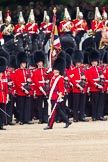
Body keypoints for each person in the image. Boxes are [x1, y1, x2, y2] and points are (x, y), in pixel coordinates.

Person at [44, 51, 72, 130]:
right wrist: (49, 69)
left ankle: (50, 125)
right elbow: (46, 75)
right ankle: (67, 121)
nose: (54, 70)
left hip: (56, 96)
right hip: (52, 95)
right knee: (58, 110)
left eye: (55, 69)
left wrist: (60, 96)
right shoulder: (53, 77)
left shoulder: (60, 78)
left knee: (53, 111)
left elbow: (61, 88)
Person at [14, 51, 34, 125]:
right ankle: (21, 119)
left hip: (28, 91)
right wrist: (23, 89)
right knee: (21, 106)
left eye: (25, 63)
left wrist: (30, 82)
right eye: (23, 63)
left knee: (27, 106)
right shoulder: (17, 72)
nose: (24, 65)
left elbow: (30, 80)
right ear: (20, 64)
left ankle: (27, 119)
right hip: (21, 91)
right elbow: (17, 82)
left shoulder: (27, 71)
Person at [87, 48, 107, 121]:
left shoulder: (100, 69)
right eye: (94, 61)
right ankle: (94, 116)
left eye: (96, 61)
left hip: (101, 88)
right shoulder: (89, 70)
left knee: (101, 103)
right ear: (91, 62)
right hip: (94, 88)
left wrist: (102, 83)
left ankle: (100, 115)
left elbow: (103, 78)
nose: (95, 63)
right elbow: (90, 80)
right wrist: (97, 84)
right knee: (94, 103)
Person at [70, 50, 89, 122]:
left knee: (82, 103)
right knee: (76, 104)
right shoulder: (73, 70)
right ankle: (75, 117)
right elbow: (72, 80)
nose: (79, 64)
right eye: (78, 62)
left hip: (83, 88)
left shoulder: (82, 70)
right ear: (75, 62)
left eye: (79, 62)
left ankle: (81, 116)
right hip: (76, 89)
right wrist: (78, 86)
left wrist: (84, 84)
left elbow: (86, 78)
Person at [32, 50, 49, 124]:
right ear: (37, 63)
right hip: (39, 90)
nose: (40, 63)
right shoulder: (35, 72)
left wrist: (47, 82)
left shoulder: (46, 70)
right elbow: (36, 81)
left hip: (46, 89)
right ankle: (40, 118)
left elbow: (49, 78)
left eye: (41, 62)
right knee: (39, 105)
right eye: (39, 62)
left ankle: (45, 118)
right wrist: (42, 89)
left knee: (46, 105)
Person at [0, 56, 8, 130]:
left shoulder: (4, 76)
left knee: (2, 112)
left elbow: (5, 87)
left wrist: (7, 96)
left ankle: (1, 124)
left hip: (3, 97)